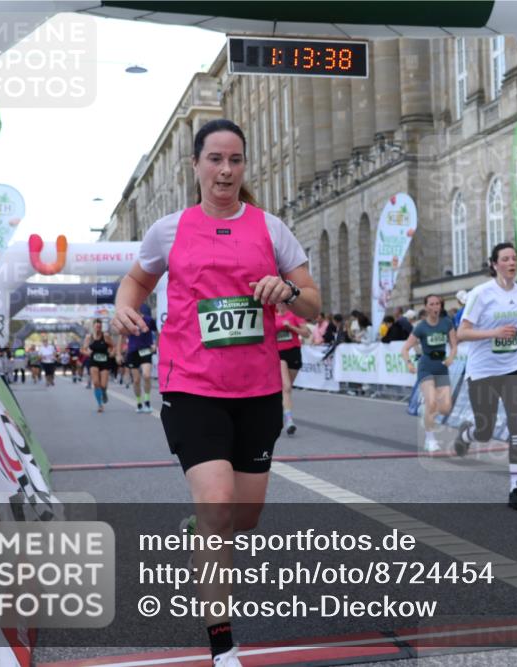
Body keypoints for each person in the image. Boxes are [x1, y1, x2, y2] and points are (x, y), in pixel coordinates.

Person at [112, 118, 319, 667]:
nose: (225, 170)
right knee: (218, 504)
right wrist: (123, 305)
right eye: (215, 159)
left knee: (242, 518)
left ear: (244, 166)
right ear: (197, 165)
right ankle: (223, 646)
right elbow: (136, 280)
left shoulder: (271, 229)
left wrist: (289, 289)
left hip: (255, 390)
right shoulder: (168, 229)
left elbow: (312, 304)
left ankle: (205, 527)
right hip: (191, 386)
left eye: (235, 160)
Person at [453, 242, 517, 511]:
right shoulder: (481, 294)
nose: (511, 263)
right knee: (485, 430)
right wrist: (493, 333)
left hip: (515, 365)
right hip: (483, 370)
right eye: (505, 259)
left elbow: (516, 328)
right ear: (494, 264)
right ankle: (466, 435)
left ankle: (516, 488)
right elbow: (462, 333)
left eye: (514, 258)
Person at [401, 294, 458, 452]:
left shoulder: (447, 323)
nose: (435, 307)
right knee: (432, 402)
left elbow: (454, 345)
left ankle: (427, 412)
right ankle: (430, 439)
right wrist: (409, 364)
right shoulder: (421, 327)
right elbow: (405, 349)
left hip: (441, 366)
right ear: (426, 307)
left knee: (446, 408)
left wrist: (451, 357)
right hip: (426, 366)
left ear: (441, 306)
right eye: (431, 304)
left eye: (437, 304)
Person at [274, 302, 310, 436]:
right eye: (278, 303)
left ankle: (282, 410)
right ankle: (289, 420)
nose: (280, 305)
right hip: (278, 354)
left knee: (286, 390)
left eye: (283, 303)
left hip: (294, 352)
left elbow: (306, 333)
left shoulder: (294, 315)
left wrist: (291, 327)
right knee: (286, 387)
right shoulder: (272, 315)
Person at [125, 303, 157, 413]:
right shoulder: (128, 320)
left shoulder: (148, 319)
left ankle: (147, 401)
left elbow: (157, 331)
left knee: (147, 375)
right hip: (133, 352)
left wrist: (155, 345)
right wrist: (119, 353)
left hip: (146, 350)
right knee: (136, 380)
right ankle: (139, 402)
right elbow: (122, 335)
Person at [83, 320, 115, 413]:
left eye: (100, 326)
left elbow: (113, 346)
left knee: (103, 385)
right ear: (93, 327)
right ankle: (100, 404)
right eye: (96, 326)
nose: (98, 328)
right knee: (96, 383)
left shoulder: (106, 336)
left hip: (104, 361)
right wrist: (87, 352)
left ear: (101, 327)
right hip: (93, 362)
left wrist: (112, 353)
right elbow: (83, 349)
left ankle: (104, 392)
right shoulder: (89, 337)